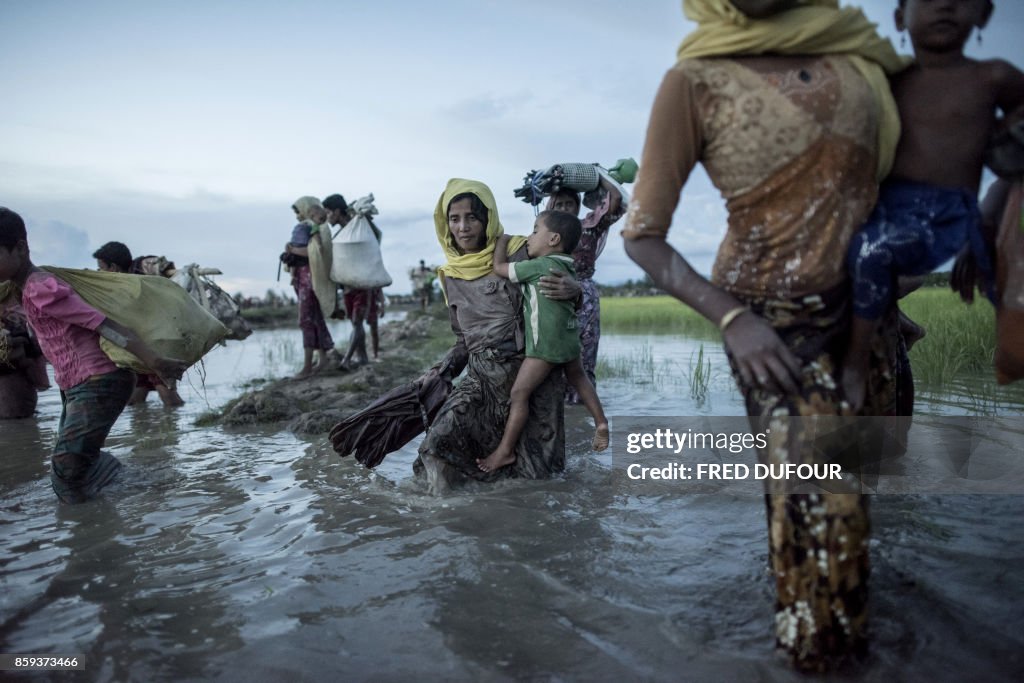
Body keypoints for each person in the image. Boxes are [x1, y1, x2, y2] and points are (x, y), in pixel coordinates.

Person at [621, 0, 908, 671]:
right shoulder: (694, 80)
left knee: (850, 505)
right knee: (829, 514)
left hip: (870, 317)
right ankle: (814, 657)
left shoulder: (861, 58)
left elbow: (907, 179)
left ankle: (838, 638)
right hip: (774, 330)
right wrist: (732, 318)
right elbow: (642, 237)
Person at [841, 0, 1024, 410]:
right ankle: (882, 341)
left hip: (949, 213)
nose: (944, 4)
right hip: (891, 215)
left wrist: (990, 215)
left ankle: (857, 364)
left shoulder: (991, 76)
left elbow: (1015, 160)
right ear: (900, 17)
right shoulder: (887, 81)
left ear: (983, 14)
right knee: (858, 267)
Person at [0, 207, 188, 503]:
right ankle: (140, 488)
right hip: (77, 384)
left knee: (66, 472)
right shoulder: (24, 288)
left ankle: (93, 528)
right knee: (71, 466)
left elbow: (103, 323)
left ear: (20, 248)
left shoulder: (41, 289)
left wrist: (153, 360)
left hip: (99, 380)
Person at [413, 179, 579, 492]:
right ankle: (443, 521)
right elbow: (463, 340)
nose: (462, 227)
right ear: (445, 224)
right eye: (454, 218)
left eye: (472, 217)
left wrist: (577, 290)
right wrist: (440, 370)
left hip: (532, 379)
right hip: (481, 381)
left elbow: (563, 272)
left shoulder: (521, 251)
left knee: (538, 479)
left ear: (488, 219)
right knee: (436, 446)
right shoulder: (450, 275)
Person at [477, 211, 609, 473]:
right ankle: (601, 422)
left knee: (518, 394)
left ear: (553, 239)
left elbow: (499, 269)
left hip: (544, 348)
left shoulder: (538, 265)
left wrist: (502, 242)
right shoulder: (568, 265)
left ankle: (505, 451)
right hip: (570, 339)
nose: (529, 237)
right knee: (580, 378)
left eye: (535, 230)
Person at [546, 176, 625, 403]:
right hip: (554, 294)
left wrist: (598, 174)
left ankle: (581, 410)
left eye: (568, 204)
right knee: (553, 355)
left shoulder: (589, 225)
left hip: (585, 295)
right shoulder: (544, 231)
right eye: (558, 205)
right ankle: (556, 409)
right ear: (551, 206)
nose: (564, 209)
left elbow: (616, 199)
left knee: (584, 354)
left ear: (577, 206)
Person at [283, 196, 334, 378]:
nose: (297, 215)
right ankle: (323, 359)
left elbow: (311, 252)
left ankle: (306, 367)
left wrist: (291, 251)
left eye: (298, 211)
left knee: (306, 319)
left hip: (307, 278)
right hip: (308, 278)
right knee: (315, 317)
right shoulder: (315, 227)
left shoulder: (309, 227)